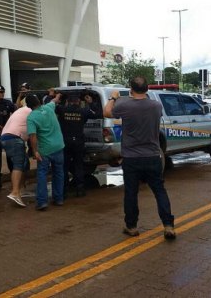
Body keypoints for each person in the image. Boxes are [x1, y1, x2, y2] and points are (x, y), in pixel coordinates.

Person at [103, 76, 176, 240]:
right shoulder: (156, 106)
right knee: (159, 190)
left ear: (131, 89)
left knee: (131, 193)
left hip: (131, 157)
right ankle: (168, 225)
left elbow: (106, 112)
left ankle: (132, 226)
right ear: (147, 89)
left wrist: (113, 97)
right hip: (152, 156)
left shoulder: (124, 104)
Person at [26, 94, 65, 210]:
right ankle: (58, 199)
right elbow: (55, 101)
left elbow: (32, 136)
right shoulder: (48, 107)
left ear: (28, 106)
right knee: (58, 173)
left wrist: (35, 151)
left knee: (42, 174)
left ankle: (42, 202)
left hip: (45, 150)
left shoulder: (31, 117)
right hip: (58, 146)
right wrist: (58, 95)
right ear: (39, 101)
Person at [56, 94, 99, 197]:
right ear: (79, 102)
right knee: (79, 165)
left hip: (65, 142)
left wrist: (54, 97)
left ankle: (64, 190)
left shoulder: (62, 109)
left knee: (64, 166)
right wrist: (91, 103)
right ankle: (80, 189)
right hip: (79, 142)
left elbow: (50, 106)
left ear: (67, 102)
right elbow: (97, 114)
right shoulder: (83, 111)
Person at [0, 105, 32, 207]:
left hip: (7, 137)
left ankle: (20, 190)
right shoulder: (31, 112)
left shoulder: (22, 110)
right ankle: (15, 192)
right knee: (18, 165)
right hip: (14, 138)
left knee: (25, 164)